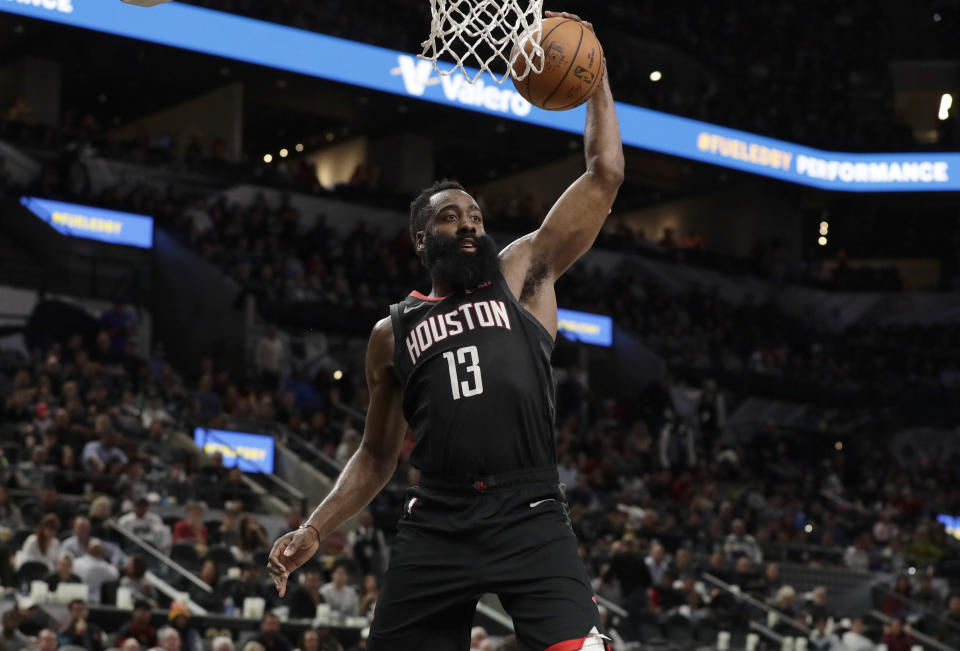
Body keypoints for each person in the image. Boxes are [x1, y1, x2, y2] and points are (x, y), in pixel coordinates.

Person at [267, 13, 623, 649]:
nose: (468, 225)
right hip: (438, 518)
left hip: (530, 508)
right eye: (451, 216)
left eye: (476, 216)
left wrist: (596, 81)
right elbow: (377, 455)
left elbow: (604, 176)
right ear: (420, 239)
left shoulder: (521, 275)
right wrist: (316, 528)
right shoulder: (392, 333)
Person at [72, 539, 121, 604]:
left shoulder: (75, 562)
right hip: (92, 600)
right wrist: (113, 566)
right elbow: (115, 574)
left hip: (76, 598)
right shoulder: (102, 566)